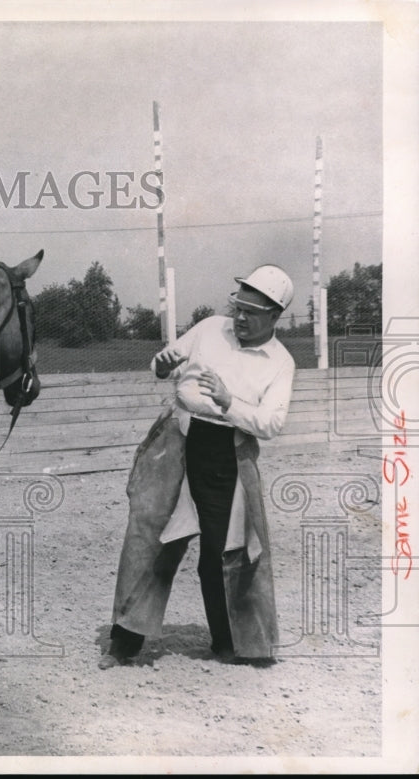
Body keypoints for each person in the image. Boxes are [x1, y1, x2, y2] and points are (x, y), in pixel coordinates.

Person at [99, 264, 296, 669]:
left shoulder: (281, 362)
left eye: (252, 312)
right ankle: (124, 643)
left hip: (229, 450)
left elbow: (272, 423)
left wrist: (229, 403)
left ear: (275, 316)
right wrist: (162, 364)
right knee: (149, 536)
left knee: (226, 548)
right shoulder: (210, 328)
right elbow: (163, 366)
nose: (240, 317)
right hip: (177, 437)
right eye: (238, 307)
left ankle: (233, 643)